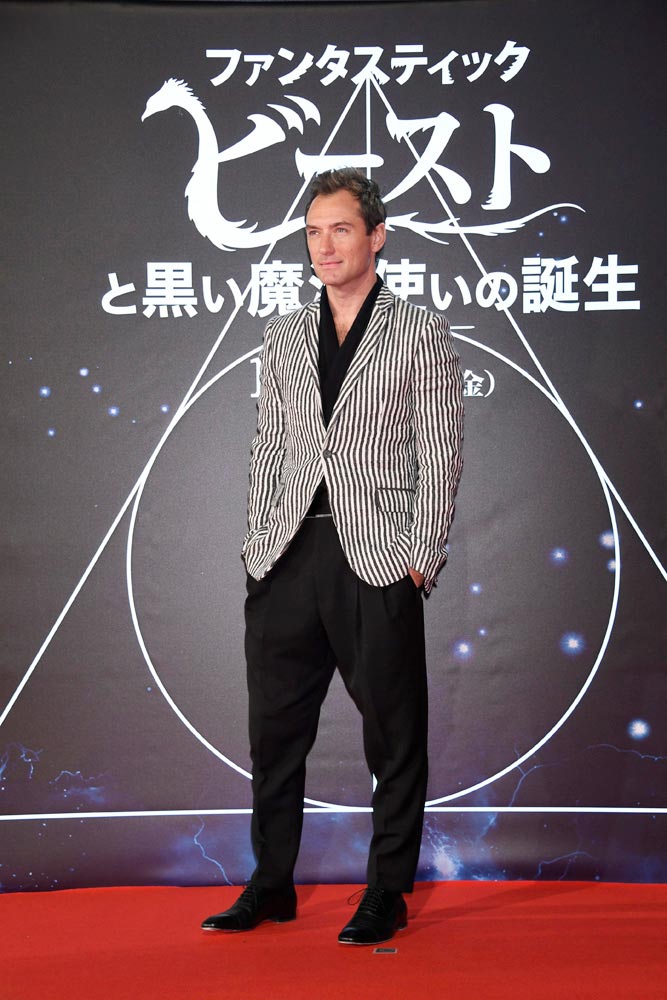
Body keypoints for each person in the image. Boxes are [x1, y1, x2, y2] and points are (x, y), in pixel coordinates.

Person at [202, 168, 463, 945]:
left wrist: (419, 555)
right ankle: (270, 885)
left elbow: (440, 452)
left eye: (340, 229)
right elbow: (271, 445)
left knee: (393, 733)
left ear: (376, 236)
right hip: (286, 553)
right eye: (313, 232)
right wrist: (256, 543)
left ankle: (386, 892)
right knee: (274, 733)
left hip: (376, 557)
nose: (324, 246)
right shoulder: (283, 334)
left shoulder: (417, 330)